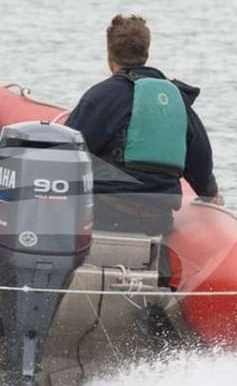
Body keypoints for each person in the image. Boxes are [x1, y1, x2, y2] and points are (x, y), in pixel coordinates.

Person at [64, 14, 219, 235]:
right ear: (146, 53)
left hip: (105, 214)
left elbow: (67, 154)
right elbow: (201, 164)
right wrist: (210, 193)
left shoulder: (102, 97)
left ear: (110, 58)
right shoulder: (176, 100)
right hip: (157, 220)